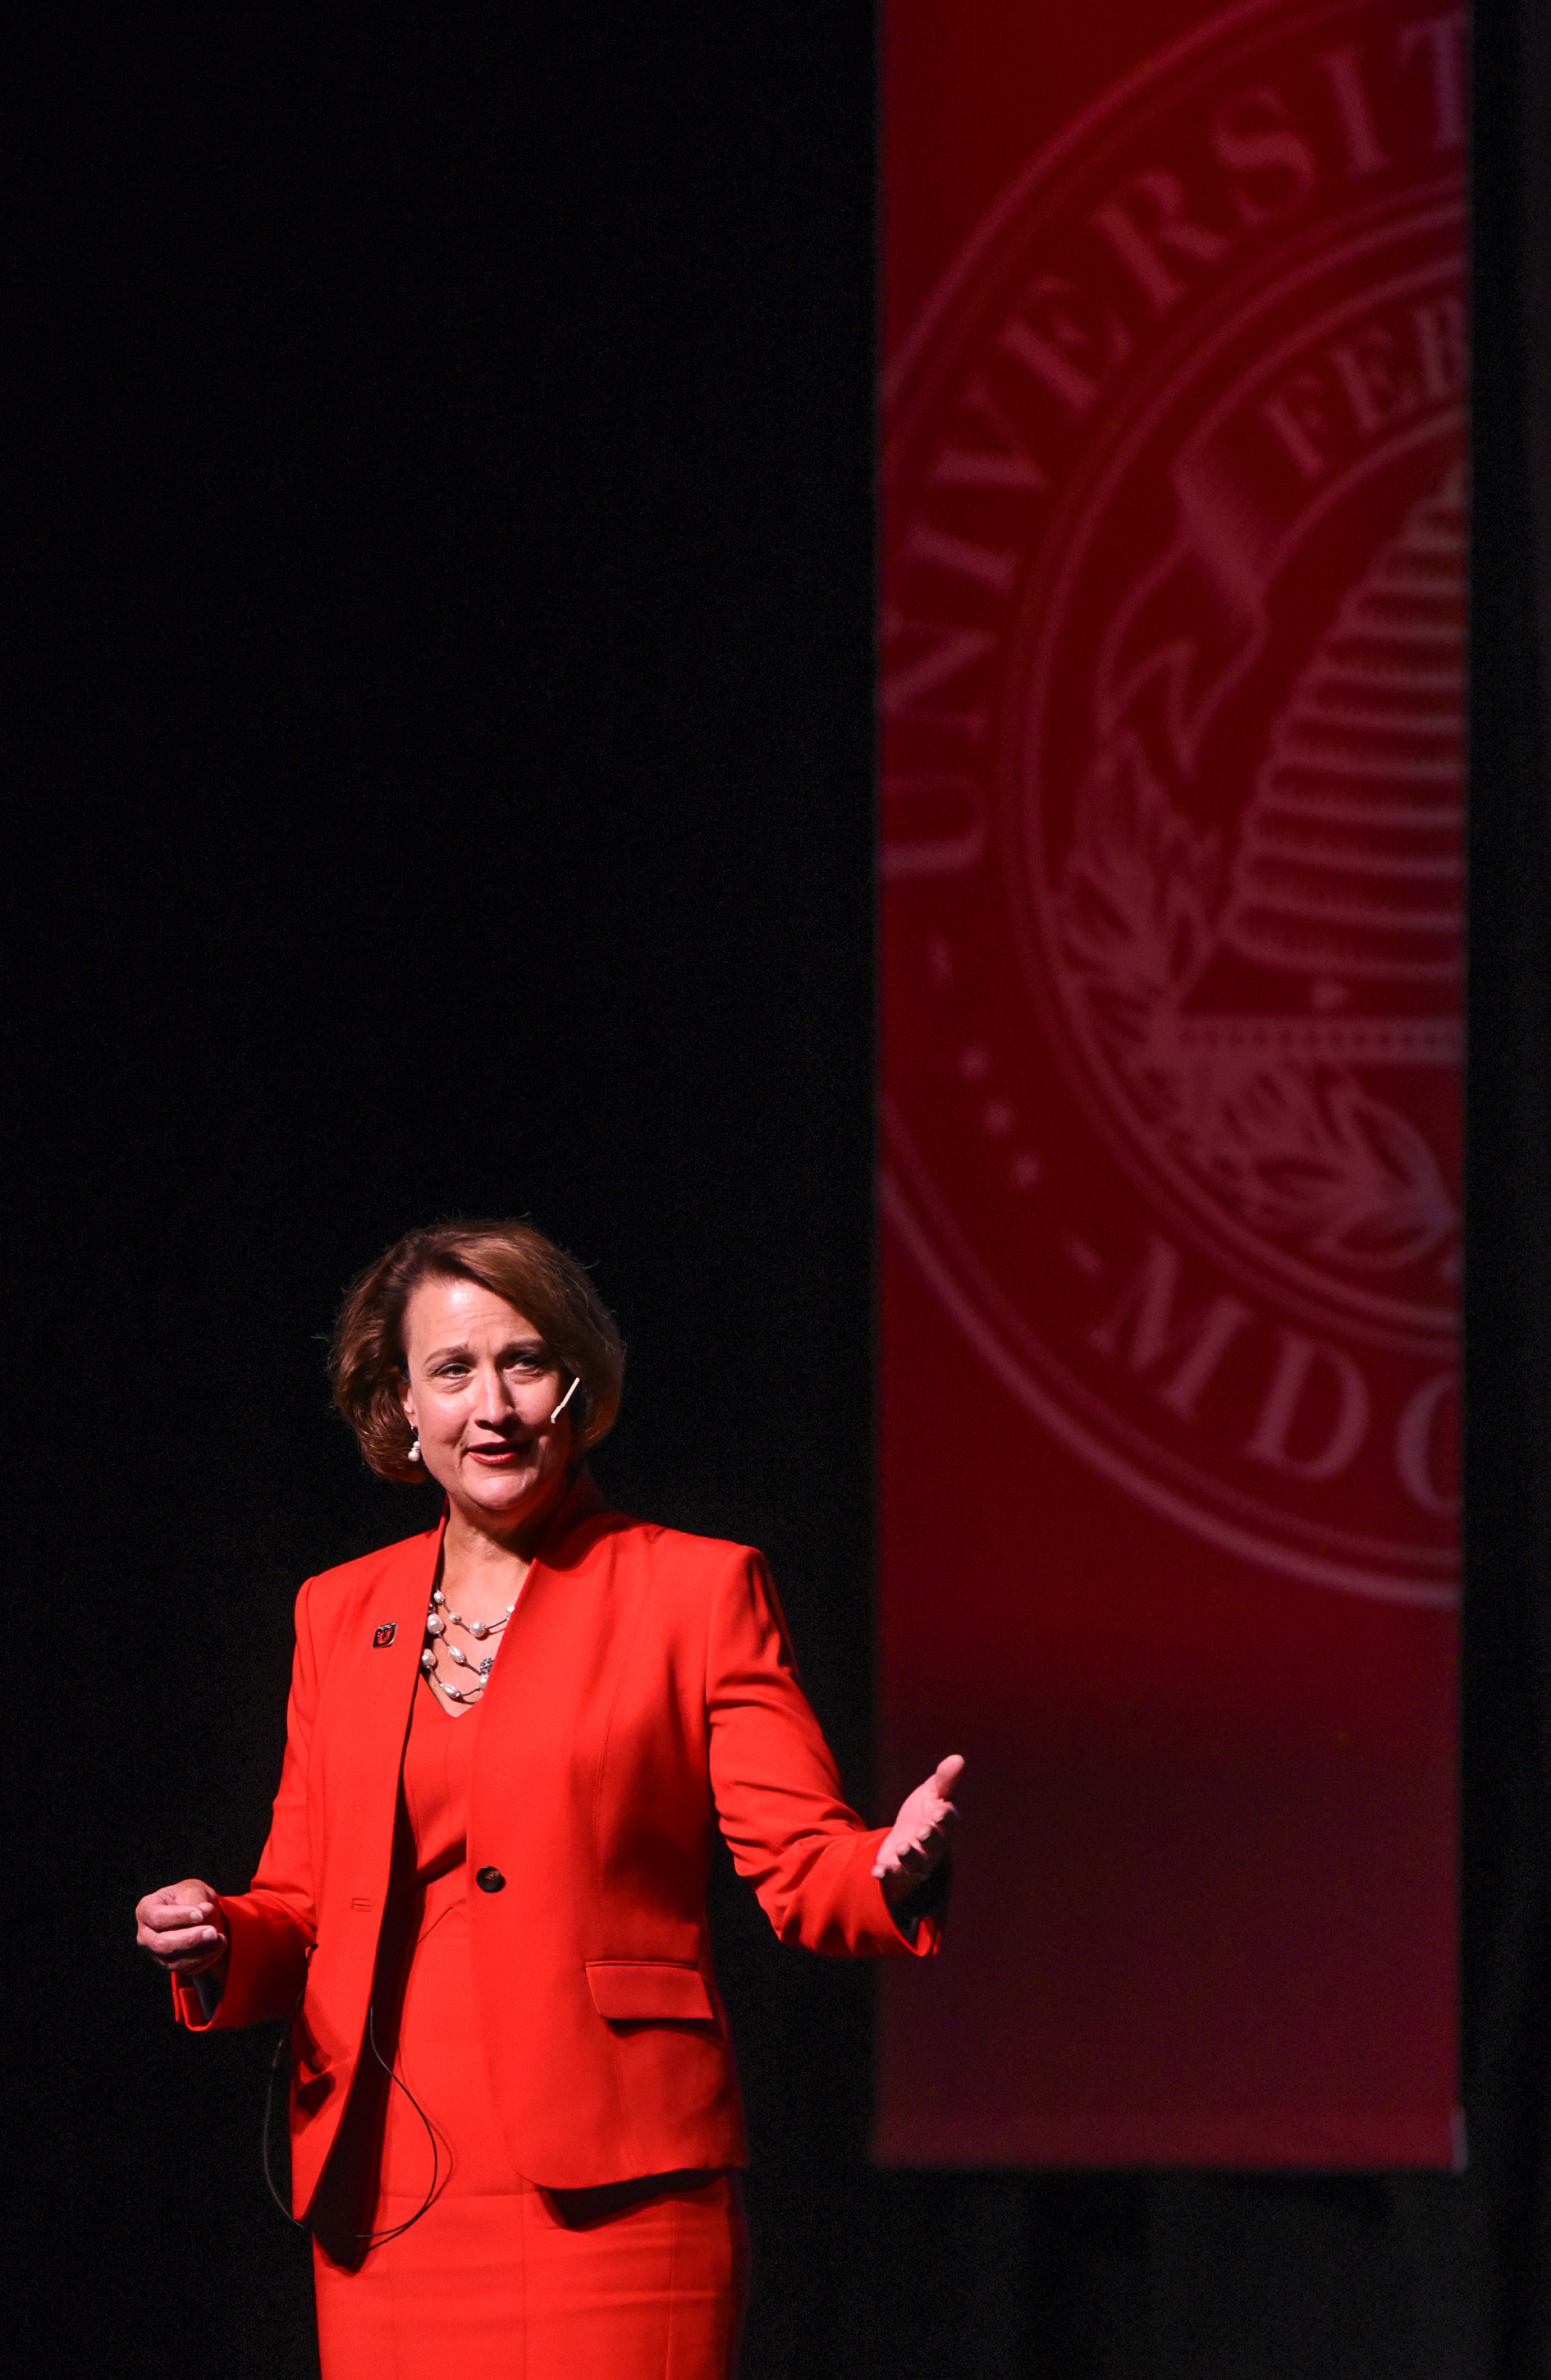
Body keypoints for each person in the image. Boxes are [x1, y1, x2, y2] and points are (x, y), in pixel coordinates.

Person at [135, 1219, 960, 2380]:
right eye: (452, 1371)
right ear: (400, 1407)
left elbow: (801, 1864)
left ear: (576, 1386)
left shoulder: (694, 1589)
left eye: (524, 1363)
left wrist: (889, 1866)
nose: (494, 1406)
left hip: (619, 2190)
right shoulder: (336, 1610)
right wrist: (215, 1934)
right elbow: (302, 1902)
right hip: (386, 2190)